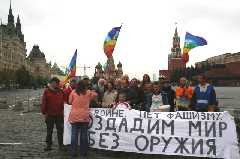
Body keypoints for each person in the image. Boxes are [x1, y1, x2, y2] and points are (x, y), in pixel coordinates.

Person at [68, 80, 97, 157]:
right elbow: (95, 95)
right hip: (84, 116)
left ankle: (73, 152)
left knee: (74, 135)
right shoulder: (88, 93)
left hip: (74, 116)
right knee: (84, 135)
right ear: (85, 86)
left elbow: (70, 101)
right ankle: (84, 152)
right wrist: (90, 89)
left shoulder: (73, 92)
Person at [41, 77, 64, 151]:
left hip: (59, 115)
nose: (54, 84)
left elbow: (64, 101)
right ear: (50, 83)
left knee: (60, 131)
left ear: (57, 84)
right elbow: (44, 102)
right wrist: (44, 112)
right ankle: (48, 145)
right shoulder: (46, 91)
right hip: (50, 114)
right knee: (49, 131)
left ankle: (61, 145)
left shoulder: (61, 91)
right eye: (53, 83)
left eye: (56, 83)